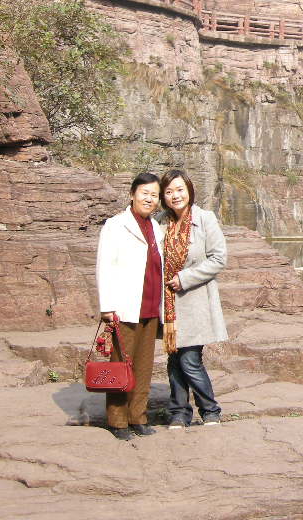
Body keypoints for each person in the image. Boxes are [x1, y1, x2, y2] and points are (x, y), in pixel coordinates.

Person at [95, 172, 164, 441]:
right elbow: (105, 266)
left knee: (144, 367)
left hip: (149, 307)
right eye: (145, 193)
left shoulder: (155, 227)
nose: (149, 199)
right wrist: (107, 306)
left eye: (154, 195)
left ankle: (138, 416)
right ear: (132, 194)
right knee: (120, 365)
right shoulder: (116, 225)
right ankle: (117, 420)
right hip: (124, 306)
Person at [157, 168, 228, 429]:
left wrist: (185, 278)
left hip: (195, 298)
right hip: (170, 303)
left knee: (189, 359)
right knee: (174, 359)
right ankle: (178, 412)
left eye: (179, 189)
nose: (175, 195)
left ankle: (210, 410)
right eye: (169, 191)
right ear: (163, 196)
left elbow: (218, 258)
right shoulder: (161, 223)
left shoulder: (205, 218)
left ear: (189, 190)